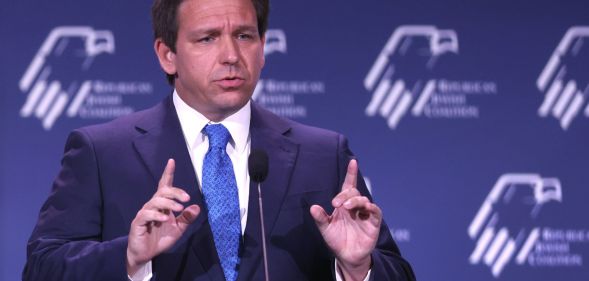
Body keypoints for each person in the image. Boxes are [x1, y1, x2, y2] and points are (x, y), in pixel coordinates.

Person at [24, 0, 416, 280]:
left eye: (245, 35)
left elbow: (395, 272)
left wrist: (355, 268)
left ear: (263, 48)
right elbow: (42, 267)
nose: (231, 55)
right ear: (167, 55)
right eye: (208, 38)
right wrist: (129, 257)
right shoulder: (101, 152)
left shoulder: (323, 155)